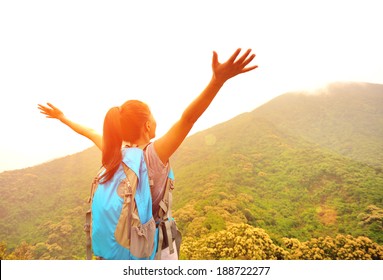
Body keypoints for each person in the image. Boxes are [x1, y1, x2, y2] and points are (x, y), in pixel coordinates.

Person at [38, 48, 257, 259]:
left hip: (121, 248)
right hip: (154, 249)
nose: (155, 120)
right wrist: (217, 81)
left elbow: (90, 132)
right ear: (146, 126)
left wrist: (62, 118)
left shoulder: (115, 152)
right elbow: (188, 119)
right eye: (152, 116)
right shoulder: (153, 155)